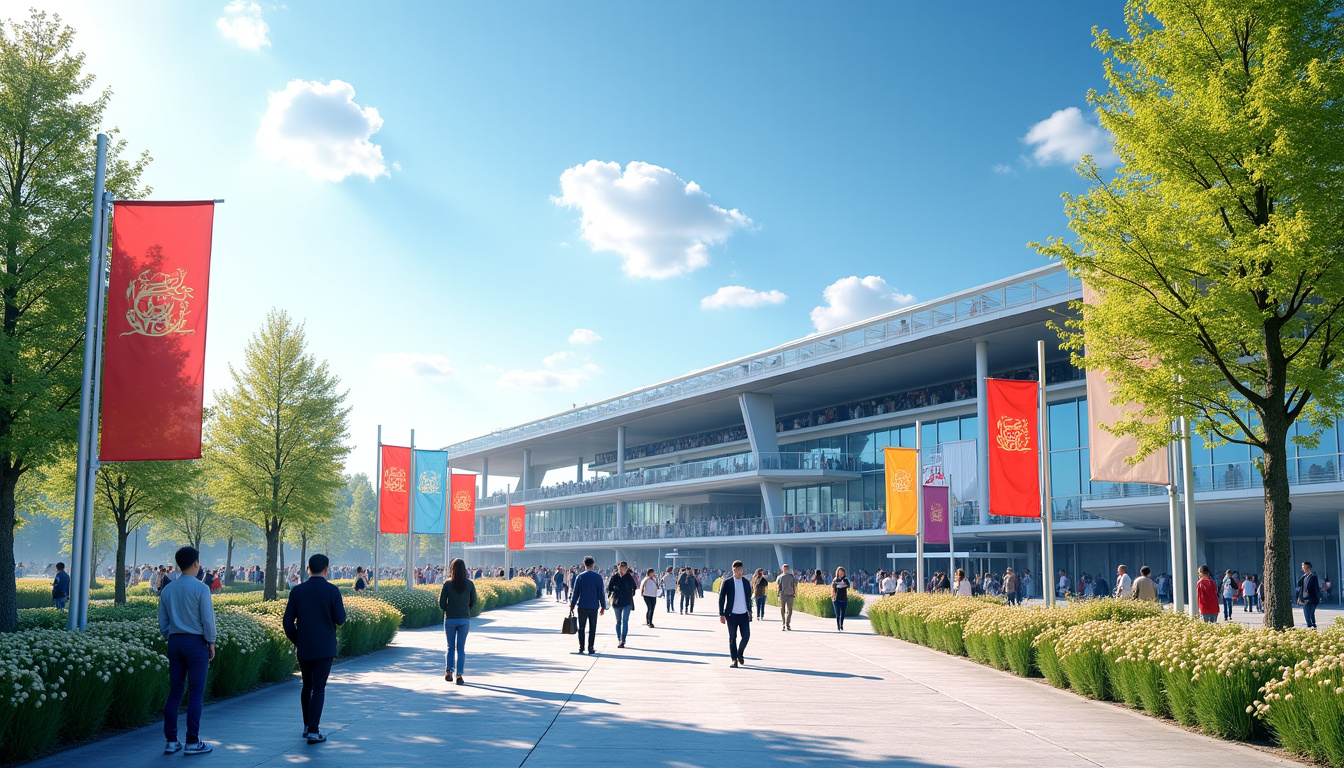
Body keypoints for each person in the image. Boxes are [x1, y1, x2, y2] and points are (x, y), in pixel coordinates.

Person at [159, 546, 217, 756]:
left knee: (174, 692)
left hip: (175, 642)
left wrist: (172, 634)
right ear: (195, 564)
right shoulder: (201, 589)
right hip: (195, 643)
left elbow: (163, 623)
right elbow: (207, 620)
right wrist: (210, 642)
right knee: (196, 693)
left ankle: (171, 740)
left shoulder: (167, 589)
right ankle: (192, 741)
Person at [283, 554, 346, 744]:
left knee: (307, 685)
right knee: (319, 687)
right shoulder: (332, 591)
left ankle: (306, 725)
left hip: (305, 646)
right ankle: (314, 730)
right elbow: (340, 619)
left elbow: (287, 622)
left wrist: (297, 640)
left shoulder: (297, 591)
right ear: (327, 569)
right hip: (325, 647)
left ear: (308, 569)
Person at [438, 558, 477, 685]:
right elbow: (473, 600)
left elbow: (441, 603)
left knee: (450, 647)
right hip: (464, 619)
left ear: (452, 569)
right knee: (461, 648)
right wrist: (467, 609)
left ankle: (449, 671)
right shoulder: (470, 584)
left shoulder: (447, 584)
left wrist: (447, 610)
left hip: (450, 619)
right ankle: (459, 675)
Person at [568, 556, 607, 655]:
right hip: (594, 606)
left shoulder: (580, 576)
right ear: (593, 564)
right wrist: (603, 606)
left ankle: (581, 647)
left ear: (584, 564)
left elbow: (575, 593)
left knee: (581, 627)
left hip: (582, 605)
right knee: (592, 627)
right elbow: (601, 593)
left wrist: (572, 605)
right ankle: (591, 647)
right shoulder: (598, 577)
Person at [718, 560, 753, 667]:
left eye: (741, 570)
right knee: (732, 638)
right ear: (733, 570)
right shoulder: (727, 582)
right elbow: (721, 598)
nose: (739, 572)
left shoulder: (746, 582)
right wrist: (721, 614)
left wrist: (750, 611)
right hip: (731, 615)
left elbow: (749, 599)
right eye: (737, 570)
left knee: (746, 636)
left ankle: (739, 654)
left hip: (743, 615)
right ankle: (734, 659)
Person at [607, 562, 638, 647]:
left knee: (625, 621)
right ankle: (619, 638)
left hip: (627, 602)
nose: (620, 571)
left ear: (626, 569)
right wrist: (615, 588)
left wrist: (630, 592)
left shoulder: (628, 577)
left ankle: (623, 640)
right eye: (619, 569)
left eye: (622, 569)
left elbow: (634, 587)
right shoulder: (615, 577)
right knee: (618, 621)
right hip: (616, 602)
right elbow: (609, 588)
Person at [1298, 561, 1321, 629]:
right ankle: (1310, 625)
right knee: (1307, 615)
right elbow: (1299, 584)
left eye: (1303, 567)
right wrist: (1299, 598)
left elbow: (1315, 588)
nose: (1302, 569)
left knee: (1310, 613)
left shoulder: (1313, 576)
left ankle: (1313, 625)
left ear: (1307, 568)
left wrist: (1317, 598)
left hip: (1312, 599)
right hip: (1305, 599)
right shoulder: (1304, 577)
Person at [776, 564, 797, 630]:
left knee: (790, 610)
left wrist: (794, 592)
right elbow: (778, 587)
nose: (786, 570)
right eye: (785, 569)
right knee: (782, 610)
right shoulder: (780, 577)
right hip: (783, 595)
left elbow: (794, 585)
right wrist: (778, 595)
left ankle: (787, 624)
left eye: (787, 569)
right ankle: (783, 623)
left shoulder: (791, 577)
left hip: (790, 595)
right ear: (782, 569)